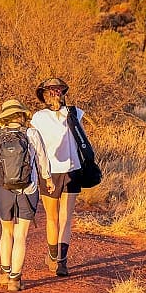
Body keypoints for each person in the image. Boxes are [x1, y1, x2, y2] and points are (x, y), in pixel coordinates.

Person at [30, 78, 84, 277]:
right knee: (65, 219)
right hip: (72, 169)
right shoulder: (75, 112)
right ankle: (61, 262)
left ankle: (54, 258)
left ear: (44, 95)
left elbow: (35, 145)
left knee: (52, 218)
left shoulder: (38, 117)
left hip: (50, 171)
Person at [0, 99, 39, 292]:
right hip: (28, 188)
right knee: (21, 234)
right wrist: (47, 181)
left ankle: (4, 273)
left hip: (3, 188)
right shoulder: (31, 133)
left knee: (6, 232)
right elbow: (41, 160)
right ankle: (15, 280)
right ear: (22, 115)